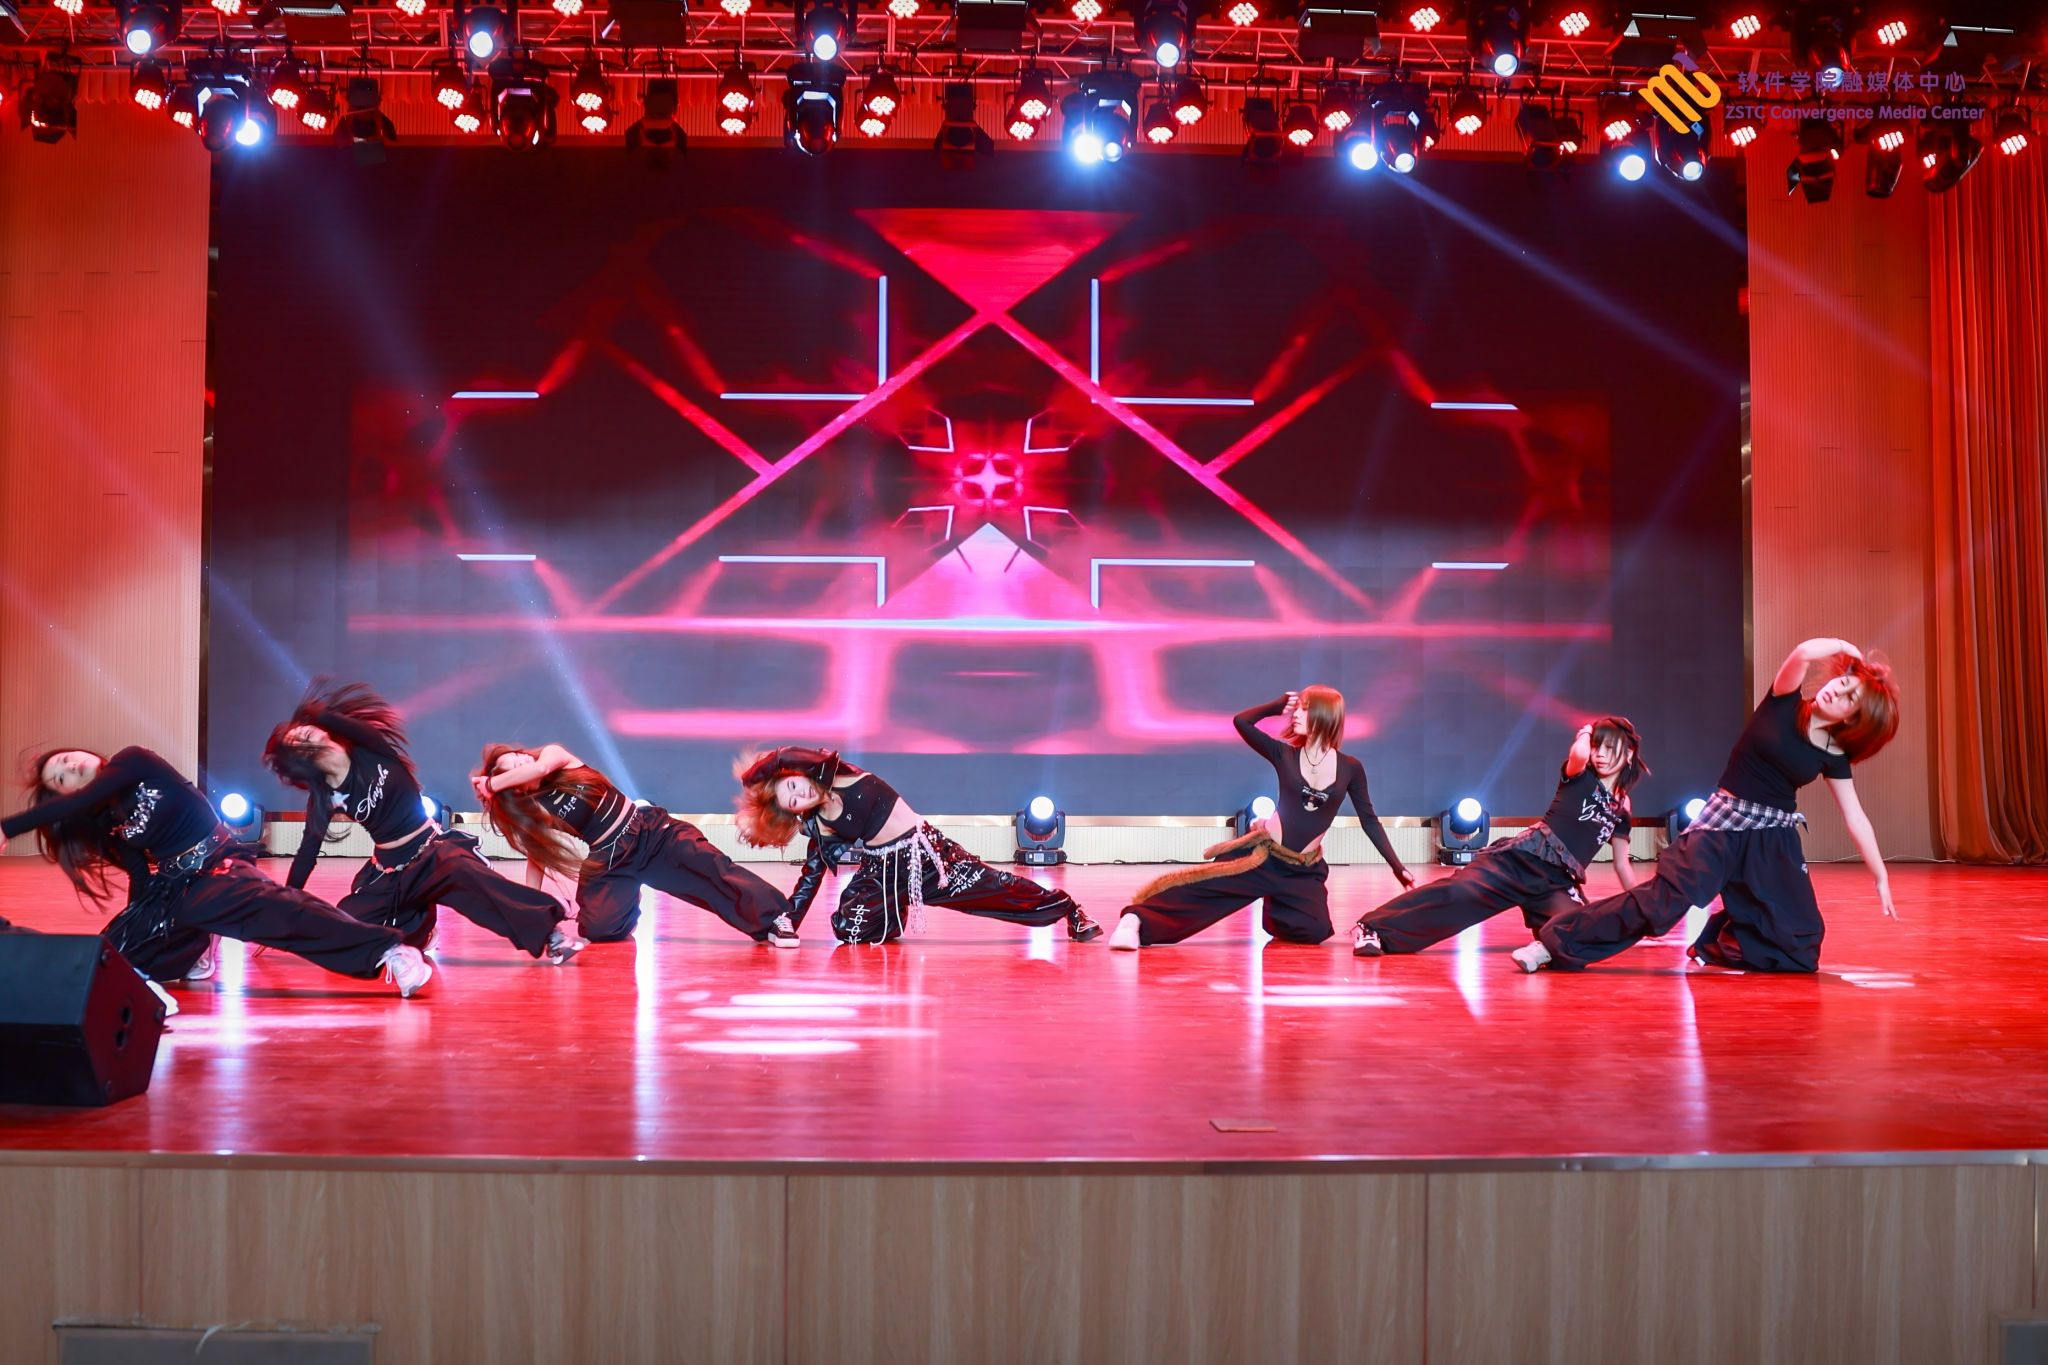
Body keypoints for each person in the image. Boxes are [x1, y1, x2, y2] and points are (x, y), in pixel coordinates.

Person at [1513, 638, 1901, 974]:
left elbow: (1855, 816)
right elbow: (1802, 653)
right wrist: (1845, 649)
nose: (1837, 691)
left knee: (1799, 943)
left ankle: (1717, 941)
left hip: (1772, 837)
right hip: (1722, 824)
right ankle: (1553, 943)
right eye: (1843, 682)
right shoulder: (1784, 702)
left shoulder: (1834, 753)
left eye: (1850, 698)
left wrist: (1880, 874)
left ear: (1855, 720)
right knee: (1660, 905)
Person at [0, 746, 430, 997]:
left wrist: (7, 828)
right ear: (65, 795)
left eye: (66, 760)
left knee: (275, 911)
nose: (70, 768)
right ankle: (193, 944)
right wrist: (140, 924)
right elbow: (139, 875)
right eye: (60, 778)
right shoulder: (106, 821)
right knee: (110, 963)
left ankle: (389, 951)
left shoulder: (134, 761)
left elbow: (84, 799)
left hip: (218, 864)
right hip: (175, 886)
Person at [264, 681, 585, 965]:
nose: (302, 733)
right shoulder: (325, 796)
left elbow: (336, 721)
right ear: (300, 759)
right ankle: (419, 932)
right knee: (350, 923)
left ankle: (552, 936)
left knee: (469, 875)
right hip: (388, 871)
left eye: (301, 729)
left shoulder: (369, 749)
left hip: (432, 851)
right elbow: (307, 853)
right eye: (295, 741)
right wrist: (285, 907)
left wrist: (315, 713)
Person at [1107, 688, 1414, 950]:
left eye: (1304, 709)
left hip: (1303, 870)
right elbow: (1242, 722)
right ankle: (1135, 919)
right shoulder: (1284, 755)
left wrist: (1397, 867)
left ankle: (1275, 902)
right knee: (1199, 895)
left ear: (1325, 715)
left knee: (1314, 932)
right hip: (1262, 858)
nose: (1295, 715)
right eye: (1296, 708)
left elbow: (1369, 820)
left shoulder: (1350, 768)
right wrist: (1275, 707)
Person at [734, 746, 1101, 945]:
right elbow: (811, 875)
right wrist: (789, 920)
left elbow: (786, 756)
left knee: (998, 888)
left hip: (929, 858)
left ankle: (1070, 911)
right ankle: (895, 911)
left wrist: (756, 775)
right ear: (796, 813)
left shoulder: (839, 772)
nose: (799, 794)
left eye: (793, 785)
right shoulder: (821, 824)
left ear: (799, 774)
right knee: (849, 929)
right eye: (793, 801)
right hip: (882, 872)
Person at [1352, 717, 1647, 956]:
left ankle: (1542, 951)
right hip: (1521, 860)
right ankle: (1373, 929)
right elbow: (1579, 754)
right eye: (1597, 746)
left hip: (1557, 881)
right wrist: (1586, 731)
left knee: (1580, 930)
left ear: (1629, 754)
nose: (1600, 754)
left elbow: (1622, 864)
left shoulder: (1623, 807)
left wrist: (1643, 906)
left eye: (1610, 748)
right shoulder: (1580, 777)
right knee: (1457, 894)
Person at [474, 742, 797, 945]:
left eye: (520, 757)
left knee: (708, 865)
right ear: (515, 789)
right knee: (598, 930)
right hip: (609, 860)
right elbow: (538, 857)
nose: (524, 763)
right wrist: (531, 906)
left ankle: (773, 918)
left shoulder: (555, 757)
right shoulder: (536, 810)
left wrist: (491, 783)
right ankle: (628, 898)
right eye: (515, 767)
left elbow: (541, 767)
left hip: (649, 832)